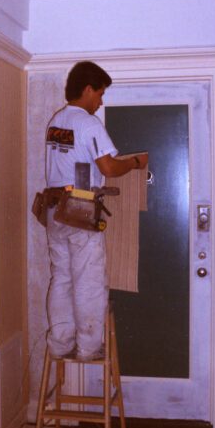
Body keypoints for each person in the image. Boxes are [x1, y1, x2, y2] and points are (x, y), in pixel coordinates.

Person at [44, 61, 148, 361]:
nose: (100, 101)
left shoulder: (56, 122)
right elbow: (109, 168)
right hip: (78, 210)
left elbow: (76, 165)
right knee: (88, 279)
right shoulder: (88, 123)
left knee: (62, 277)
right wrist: (134, 163)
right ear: (87, 89)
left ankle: (61, 344)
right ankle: (89, 347)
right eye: (100, 94)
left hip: (55, 210)